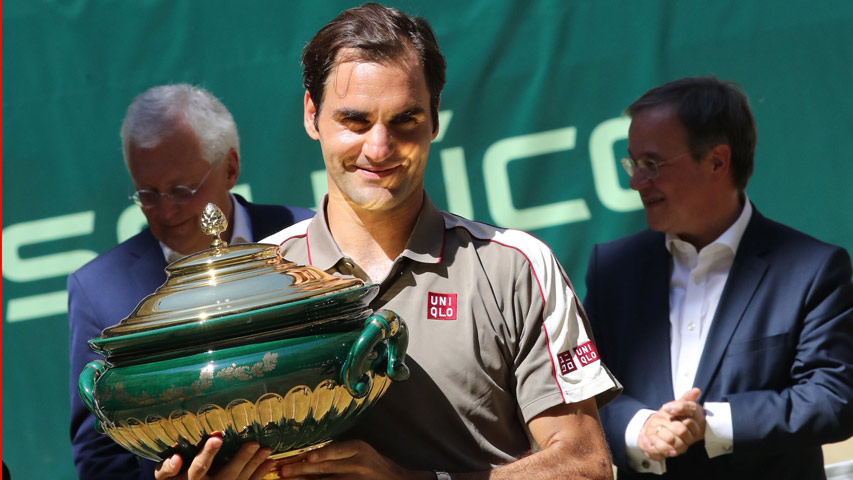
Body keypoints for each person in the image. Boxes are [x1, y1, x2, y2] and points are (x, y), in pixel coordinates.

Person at [157, 3, 621, 480]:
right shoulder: (251, 281)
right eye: (355, 121)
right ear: (312, 115)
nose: (378, 149)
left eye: (404, 121)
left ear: (435, 119)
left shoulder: (516, 268)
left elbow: (587, 465)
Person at [583, 76, 853, 479]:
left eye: (652, 164)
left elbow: (833, 399)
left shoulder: (811, 269)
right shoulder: (612, 269)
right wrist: (641, 429)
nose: (636, 181)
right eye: (633, 162)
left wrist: (712, 424)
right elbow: (584, 392)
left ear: (716, 162)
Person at [68, 84, 314, 480]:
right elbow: (99, 456)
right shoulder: (98, 289)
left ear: (230, 168)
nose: (165, 209)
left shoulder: (303, 236)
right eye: (147, 194)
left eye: (182, 190)